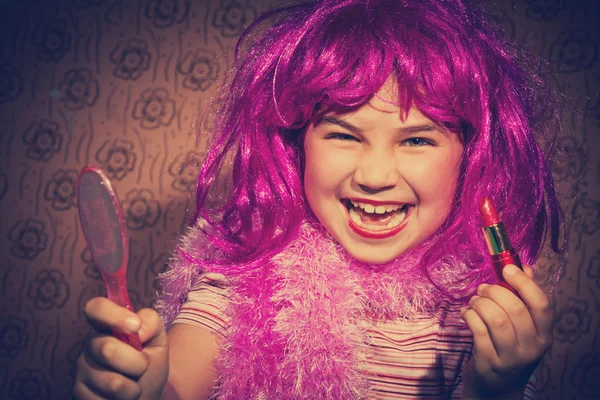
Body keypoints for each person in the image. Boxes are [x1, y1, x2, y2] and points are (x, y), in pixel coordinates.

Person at [73, 0, 564, 398]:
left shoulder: (478, 312)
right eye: (344, 135)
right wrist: (143, 386)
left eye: (417, 140)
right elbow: (174, 381)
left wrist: (493, 388)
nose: (374, 176)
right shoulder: (245, 274)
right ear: (296, 144)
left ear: (471, 157)